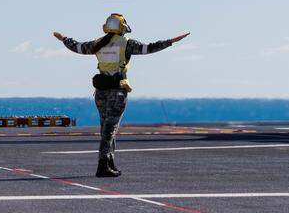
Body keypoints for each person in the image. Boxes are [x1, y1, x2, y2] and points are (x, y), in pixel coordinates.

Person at [53, 13, 189, 177]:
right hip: (117, 91)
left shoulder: (97, 44)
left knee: (106, 127)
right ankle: (103, 165)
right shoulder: (126, 43)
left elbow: (78, 47)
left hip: (101, 92)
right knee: (110, 129)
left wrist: (64, 38)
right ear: (122, 27)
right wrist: (170, 42)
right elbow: (149, 48)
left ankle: (110, 163)